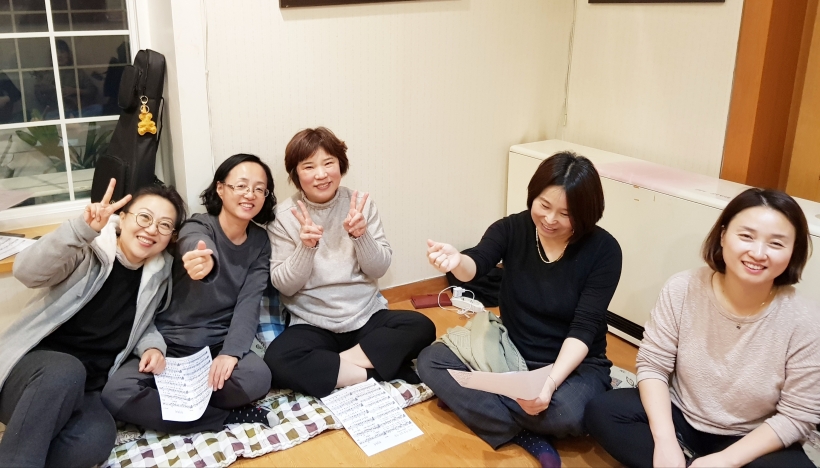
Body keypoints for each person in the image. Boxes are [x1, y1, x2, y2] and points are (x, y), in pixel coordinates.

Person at [584, 188, 820, 468]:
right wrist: (665, 441)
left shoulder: (805, 319)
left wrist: (725, 461)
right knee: (603, 411)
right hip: (681, 416)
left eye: (776, 243)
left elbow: (797, 415)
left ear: (793, 251)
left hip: (750, 436)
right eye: (746, 236)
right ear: (723, 236)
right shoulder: (682, 288)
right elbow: (653, 365)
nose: (758, 253)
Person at [417, 152, 622, 468]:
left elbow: (584, 329)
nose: (550, 219)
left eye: (565, 214)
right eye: (544, 205)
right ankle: (525, 433)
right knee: (431, 362)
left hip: (571, 364)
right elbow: (477, 263)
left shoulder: (604, 251)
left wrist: (549, 384)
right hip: (509, 350)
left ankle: (481, 407)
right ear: (533, 196)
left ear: (586, 213)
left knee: (569, 414)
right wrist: (458, 262)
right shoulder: (513, 228)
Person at [0, 179, 186, 467]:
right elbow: (26, 271)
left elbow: (142, 323)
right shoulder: (88, 247)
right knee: (65, 369)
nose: (151, 229)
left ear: (171, 236)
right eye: (144, 217)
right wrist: (80, 230)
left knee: (95, 439)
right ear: (123, 218)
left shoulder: (158, 273)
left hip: (86, 388)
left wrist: (152, 347)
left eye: (164, 225)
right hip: (33, 378)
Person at [102, 154, 276, 433]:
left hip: (217, 344)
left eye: (259, 189)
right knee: (116, 393)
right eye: (241, 185)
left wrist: (231, 353)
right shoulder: (197, 225)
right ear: (221, 188)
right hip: (168, 344)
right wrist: (206, 262)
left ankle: (173, 405)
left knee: (258, 377)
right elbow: (194, 244)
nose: (250, 194)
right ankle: (223, 418)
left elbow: (249, 302)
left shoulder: (259, 241)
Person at [263, 127, 435, 398]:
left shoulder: (361, 204)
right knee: (277, 360)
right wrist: (306, 248)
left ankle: (335, 366)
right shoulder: (283, 216)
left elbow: (379, 269)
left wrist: (361, 236)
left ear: (340, 165)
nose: (321, 174)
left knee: (422, 327)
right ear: (296, 174)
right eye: (309, 166)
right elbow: (285, 286)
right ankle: (374, 371)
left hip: (366, 316)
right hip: (312, 323)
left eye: (328, 163)